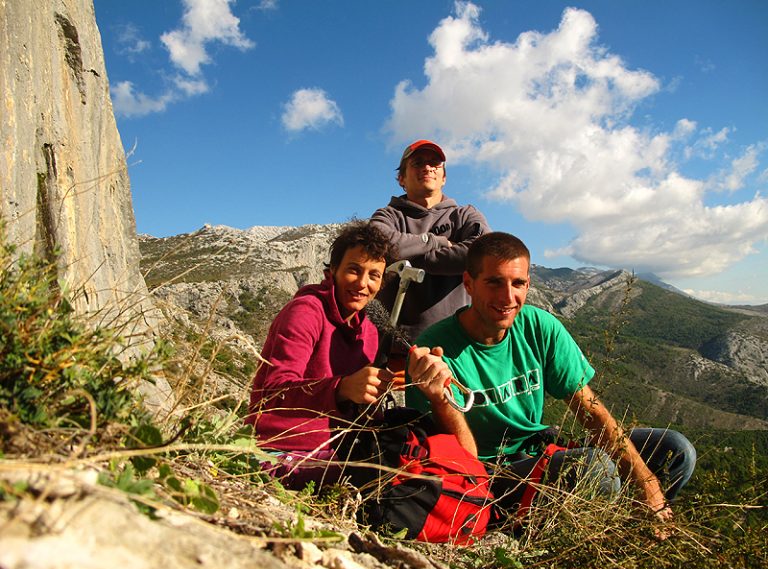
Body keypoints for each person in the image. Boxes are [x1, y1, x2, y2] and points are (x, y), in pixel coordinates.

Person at [406, 231, 696, 533]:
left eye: (518, 283)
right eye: (494, 282)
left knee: (676, 450)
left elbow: (591, 411)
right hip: (489, 477)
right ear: (469, 283)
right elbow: (460, 464)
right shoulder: (437, 350)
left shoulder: (538, 326)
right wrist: (440, 399)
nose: (508, 297)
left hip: (540, 453)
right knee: (597, 469)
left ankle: (638, 529)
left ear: (528, 284)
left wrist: (647, 485)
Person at [245, 221, 471, 489]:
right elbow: (272, 394)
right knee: (397, 479)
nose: (363, 283)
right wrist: (341, 388)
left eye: (374, 275)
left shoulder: (369, 330)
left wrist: (375, 395)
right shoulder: (305, 312)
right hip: (283, 449)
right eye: (354, 270)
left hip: (340, 446)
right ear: (334, 271)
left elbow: (355, 409)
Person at [370, 139, 491, 341]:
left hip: (457, 347)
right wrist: (437, 242)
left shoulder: (466, 215)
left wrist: (409, 262)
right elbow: (378, 244)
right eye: (417, 163)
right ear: (401, 178)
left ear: (444, 178)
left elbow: (482, 254)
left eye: (435, 163)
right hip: (395, 349)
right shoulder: (387, 216)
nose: (427, 167)